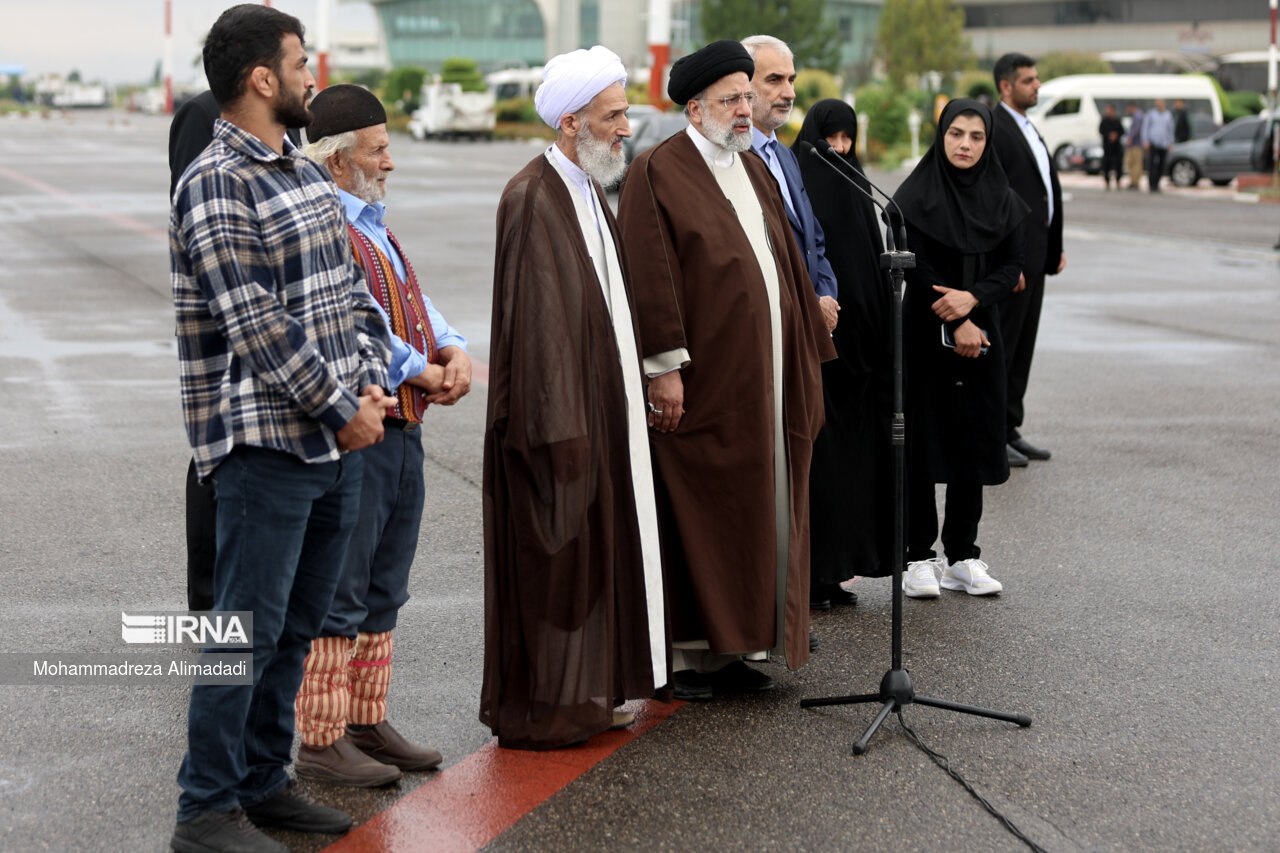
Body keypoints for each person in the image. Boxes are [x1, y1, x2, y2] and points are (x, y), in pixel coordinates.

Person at [169, 6, 393, 852]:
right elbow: (256, 324)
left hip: (336, 444)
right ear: (263, 77)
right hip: (265, 445)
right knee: (243, 634)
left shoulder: (300, 171)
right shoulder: (216, 180)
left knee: (296, 628)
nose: (311, 73)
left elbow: (347, 296)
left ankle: (264, 783)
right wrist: (343, 409)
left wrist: (370, 388)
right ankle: (204, 808)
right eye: (301, 61)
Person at [617, 40, 834, 700]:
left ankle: (737, 645)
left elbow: (783, 262)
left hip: (761, 382)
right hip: (704, 382)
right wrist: (665, 368)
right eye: (731, 99)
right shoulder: (659, 170)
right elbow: (651, 276)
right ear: (694, 107)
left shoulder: (752, 166)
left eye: (747, 96)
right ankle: (687, 659)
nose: (745, 109)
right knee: (702, 511)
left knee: (753, 510)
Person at [481, 46, 667, 750]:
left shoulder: (587, 186)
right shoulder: (532, 197)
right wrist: (562, 433)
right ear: (570, 121)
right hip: (556, 430)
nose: (626, 127)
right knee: (555, 567)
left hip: (598, 418)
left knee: (594, 564)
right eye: (614, 114)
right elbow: (535, 331)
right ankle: (548, 708)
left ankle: (590, 694)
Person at [294, 84, 471, 786]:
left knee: (383, 582)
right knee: (341, 582)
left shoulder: (371, 223)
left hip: (403, 428)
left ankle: (365, 718)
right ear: (338, 163)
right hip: (363, 427)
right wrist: (425, 369)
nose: (389, 161)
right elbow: (357, 317)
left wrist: (452, 348)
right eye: (378, 150)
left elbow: (415, 302)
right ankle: (320, 734)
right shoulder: (328, 225)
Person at [168, 94, 303, 613]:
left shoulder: (289, 125)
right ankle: (209, 606)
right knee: (220, 459)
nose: (309, 78)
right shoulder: (204, 117)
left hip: (287, 313)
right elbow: (202, 215)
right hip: (232, 318)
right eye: (298, 62)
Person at [893, 99, 1029, 599]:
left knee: (972, 439)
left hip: (983, 335)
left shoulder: (1003, 198)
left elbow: (1013, 263)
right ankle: (918, 558)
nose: (965, 145)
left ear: (987, 142)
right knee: (925, 441)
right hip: (926, 332)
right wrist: (957, 314)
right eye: (956, 134)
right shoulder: (914, 194)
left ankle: (963, 556)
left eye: (975, 136)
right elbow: (913, 262)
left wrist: (974, 301)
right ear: (941, 136)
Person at [791, 100, 895, 597]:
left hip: (861, 358)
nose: (837, 148)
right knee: (820, 463)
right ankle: (810, 573)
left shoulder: (857, 184)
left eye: (846, 139)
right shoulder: (799, 181)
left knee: (853, 465)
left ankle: (837, 570)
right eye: (829, 138)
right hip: (820, 348)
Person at [991, 52, 1064, 466]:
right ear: (1006, 85)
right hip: (1014, 263)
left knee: (1022, 348)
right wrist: (1009, 261)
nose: (1037, 86)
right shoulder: (996, 129)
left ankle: (1010, 427)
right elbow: (999, 200)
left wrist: (1054, 246)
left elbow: (1042, 192)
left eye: (1037, 79)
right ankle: (992, 434)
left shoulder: (1027, 126)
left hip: (1036, 258)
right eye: (1029, 80)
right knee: (1003, 347)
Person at [742, 35, 840, 338]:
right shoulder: (733, 160)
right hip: (766, 327)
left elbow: (814, 242)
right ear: (741, 86)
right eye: (774, 80)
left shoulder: (786, 155)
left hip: (806, 328)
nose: (789, 92)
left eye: (791, 80)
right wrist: (810, 305)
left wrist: (826, 296)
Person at [1143, 98, 1175, 193]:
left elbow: (1170, 130)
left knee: (1161, 165)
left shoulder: (1168, 115)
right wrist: (1145, 141)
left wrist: (1170, 142)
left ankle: (1157, 183)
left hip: (1164, 144)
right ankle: (1151, 184)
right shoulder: (1151, 114)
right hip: (1153, 143)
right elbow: (1145, 128)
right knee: (1152, 165)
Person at [1098, 103, 1125, 190]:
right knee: (1107, 164)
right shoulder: (1104, 121)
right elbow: (1101, 131)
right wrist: (1108, 135)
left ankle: (1118, 180)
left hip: (1116, 147)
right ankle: (1107, 181)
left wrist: (1116, 135)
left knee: (1118, 165)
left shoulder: (1117, 121)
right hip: (1107, 147)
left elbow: (1122, 131)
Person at [1123, 102, 1145, 191]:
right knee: (1131, 164)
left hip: (1136, 145)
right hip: (1133, 145)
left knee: (1136, 164)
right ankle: (1133, 181)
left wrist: (1130, 138)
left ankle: (1135, 182)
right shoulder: (1136, 116)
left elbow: (1137, 129)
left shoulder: (1138, 116)